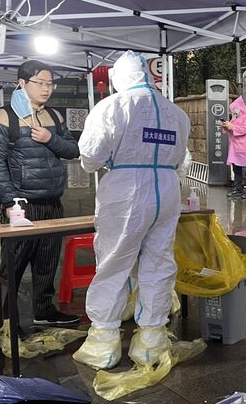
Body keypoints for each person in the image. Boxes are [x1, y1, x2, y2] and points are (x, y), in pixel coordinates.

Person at [73, 51, 191, 369]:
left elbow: (91, 156)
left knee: (114, 262)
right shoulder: (175, 113)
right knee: (158, 262)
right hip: (166, 189)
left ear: (118, 79)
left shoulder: (112, 107)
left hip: (125, 190)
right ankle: (152, 340)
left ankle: (104, 341)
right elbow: (181, 157)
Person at [0, 60, 80, 326]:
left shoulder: (54, 116)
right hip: (22, 204)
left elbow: (74, 150)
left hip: (52, 201)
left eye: (50, 83)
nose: (46, 88)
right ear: (22, 83)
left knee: (48, 261)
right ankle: (7, 319)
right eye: (40, 83)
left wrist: (50, 139)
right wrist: (9, 202)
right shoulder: (4, 117)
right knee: (13, 265)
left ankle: (44, 311)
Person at [223, 95, 246, 199]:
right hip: (235, 147)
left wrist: (232, 127)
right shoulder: (236, 117)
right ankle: (237, 189)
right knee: (236, 168)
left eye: (234, 109)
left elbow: (243, 130)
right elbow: (232, 127)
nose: (233, 112)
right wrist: (226, 126)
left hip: (244, 147)